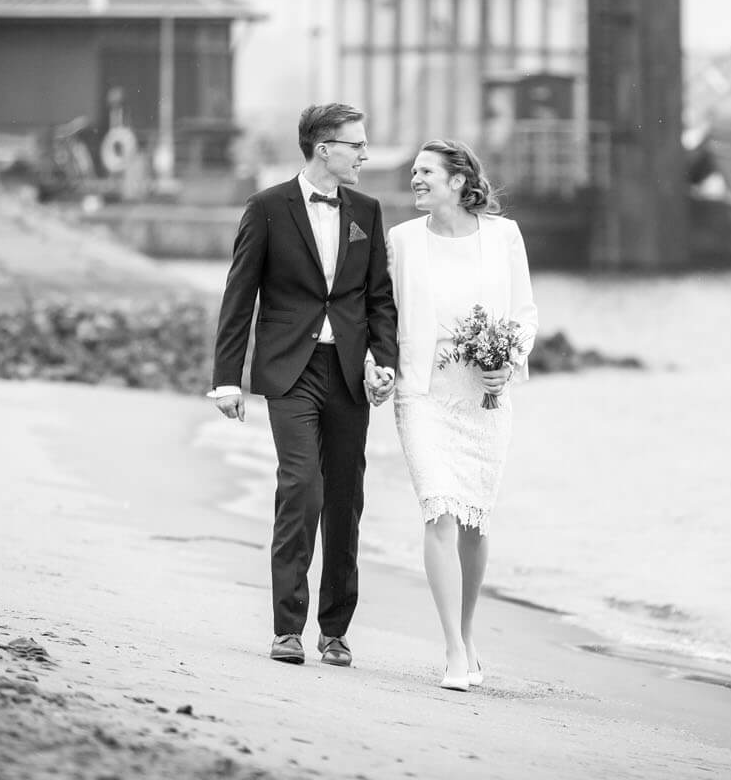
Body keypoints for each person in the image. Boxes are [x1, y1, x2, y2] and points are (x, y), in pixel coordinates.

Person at [209, 102, 398, 668]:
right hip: (289, 372)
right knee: (302, 487)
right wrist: (226, 379)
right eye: (356, 144)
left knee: (346, 499)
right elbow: (239, 295)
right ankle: (287, 628)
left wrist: (383, 361)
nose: (364, 153)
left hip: (346, 375)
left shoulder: (367, 209)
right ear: (324, 148)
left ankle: (335, 631)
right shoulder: (267, 208)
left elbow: (379, 298)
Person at [386, 139, 538, 691]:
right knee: (439, 513)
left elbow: (523, 311)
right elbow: (385, 314)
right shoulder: (401, 242)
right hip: (423, 394)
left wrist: (510, 362)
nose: (415, 179)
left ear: (458, 180)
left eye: (426, 171)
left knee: (474, 521)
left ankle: (469, 635)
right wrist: (378, 366)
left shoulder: (504, 236)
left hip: (484, 398)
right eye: (414, 171)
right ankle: (452, 650)